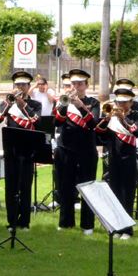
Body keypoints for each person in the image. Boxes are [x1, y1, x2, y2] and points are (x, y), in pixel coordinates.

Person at [96, 87, 138, 238]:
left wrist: (122, 119)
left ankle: (127, 229)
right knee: (115, 193)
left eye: (124, 102)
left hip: (129, 158)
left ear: (131, 102)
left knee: (127, 194)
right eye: (118, 101)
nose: (120, 105)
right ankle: (117, 227)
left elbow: (134, 131)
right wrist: (106, 119)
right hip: (113, 157)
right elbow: (99, 133)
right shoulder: (111, 116)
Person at [54, 69, 101, 234]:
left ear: (86, 85)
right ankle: (66, 222)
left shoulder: (93, 103)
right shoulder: (63, 101)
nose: (76, 86)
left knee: (87, 187)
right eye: (73, 83)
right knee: (65, 187)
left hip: (86, 151)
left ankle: (87, 224)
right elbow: (57, 122)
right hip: (66, 149)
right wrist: (65, 105)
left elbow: (93, 124)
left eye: (79, 83)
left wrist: (81, 107)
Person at [0, 72, 42, 231]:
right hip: (11, 150)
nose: (20, 88)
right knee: (11, 187)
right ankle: (12, 221)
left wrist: (24, 106)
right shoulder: (9, 102)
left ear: (29, 87)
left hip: (28, 151)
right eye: (18, 85)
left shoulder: (35, 104)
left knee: (25, 187)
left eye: (23, 85)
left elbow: (37, 120)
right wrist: (8, 102)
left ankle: (25, 222)